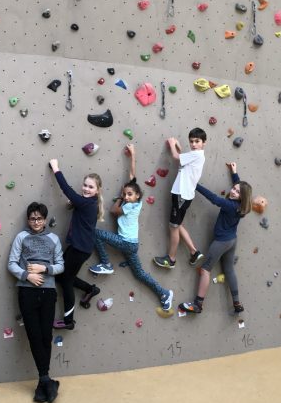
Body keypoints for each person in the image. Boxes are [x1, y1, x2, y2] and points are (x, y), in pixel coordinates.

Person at [87, 144, 174, 314]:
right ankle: (164, 293)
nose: (127, 196)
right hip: (130, 244)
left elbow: (113, 211)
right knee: (139, 274)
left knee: (96, 233)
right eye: (126, 194)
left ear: (138, 196)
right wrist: (133, 155)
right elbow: (132, 176)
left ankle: (106, 263)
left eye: (130, 194)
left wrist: (120, 198)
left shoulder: (131, 206)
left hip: (126, 243)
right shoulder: (134, 200)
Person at [7, 202, 65, 403]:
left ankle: (43, 382)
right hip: (27, 292)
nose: (36, 222)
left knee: (45, 335)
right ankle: (47, 381)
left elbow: (60, 266)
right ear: (28, 220)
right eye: (32, 218)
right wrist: (26, 276)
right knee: (33, 335)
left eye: (39, 218)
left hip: (48, 292)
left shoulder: (53, 239)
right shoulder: (21, 237)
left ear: (45, 219)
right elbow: (12, 263)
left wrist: (43, 268)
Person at [179, 162, 253, 314]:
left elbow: (213, 198)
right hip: (232, 240)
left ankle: (198, 304)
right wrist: (234, 174)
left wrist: (194, 184)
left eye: (236, 192)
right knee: (229, 269)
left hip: (221, 242)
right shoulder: (240, 207)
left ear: (241, 197)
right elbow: (240, 188)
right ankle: (237, 303)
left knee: (205, 269)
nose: (233, 192)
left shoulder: (230, 205)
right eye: (233, 188)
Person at [47, 158, 101, 330]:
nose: (86, 188)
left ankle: (69, 321)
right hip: (79, 248)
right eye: (85, 185)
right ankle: (90, 289)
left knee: (66, 281)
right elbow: (76, 204)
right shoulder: (89, 203)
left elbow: (66, 189)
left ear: (97, 191)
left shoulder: (86, 202)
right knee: (63, 277)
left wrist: (56, 168)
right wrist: (73, 205)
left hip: (79, 249)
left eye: (91, 187)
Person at [153, 128, 207, 269]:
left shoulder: (197, 155)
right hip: (184, 195)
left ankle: (171, 259)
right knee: (178, 224)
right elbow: (183, 158)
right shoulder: (195, 155)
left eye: (197, 141)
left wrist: (172, 144)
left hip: (181, 195)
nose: (194, 144)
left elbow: (177, 157)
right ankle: (194, 252)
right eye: (191, 141)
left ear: (204, 143)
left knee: (174, 227)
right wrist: (178, 147)